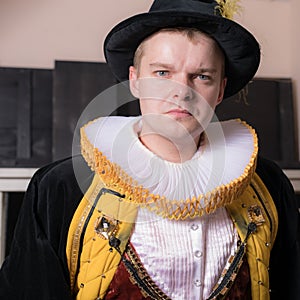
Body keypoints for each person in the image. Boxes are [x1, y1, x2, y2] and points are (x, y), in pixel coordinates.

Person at [1, 0, 299, 299]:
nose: (182, 91)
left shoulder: (269, 186)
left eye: (202, 76)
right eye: (162, 73)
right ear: (134, 81)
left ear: (220, 90)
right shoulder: (59, 189)